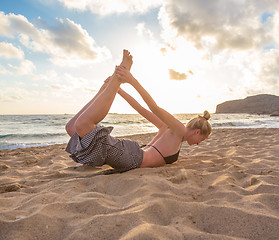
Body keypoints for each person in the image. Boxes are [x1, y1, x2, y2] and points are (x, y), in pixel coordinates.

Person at [65, 49, 212, 173]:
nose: (199, 144)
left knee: (71, 127)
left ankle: (107, 87)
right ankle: (114, 81)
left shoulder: (167, 129)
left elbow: (140, 109)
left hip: (129, 155)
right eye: (202, 140)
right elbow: (153, 107)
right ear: (197, 132)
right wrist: (131, 80)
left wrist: (120, 91)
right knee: (82, 125)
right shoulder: (179, 129)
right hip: (131, 157)